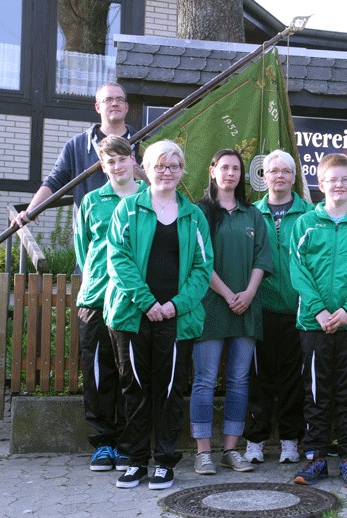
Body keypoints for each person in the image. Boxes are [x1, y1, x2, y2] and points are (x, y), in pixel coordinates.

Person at [105, 140, 212, 490]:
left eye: (174, 166)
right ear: (146, 170)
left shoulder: (193, 215)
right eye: (159, 166)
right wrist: (147, 303)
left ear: (182, 171)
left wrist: (175, 305)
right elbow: (117, 259)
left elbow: (203, 268)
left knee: (170, 391)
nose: (167, 172)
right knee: (135, 389)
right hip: (133, 316)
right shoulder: (128, 210)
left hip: (177, 319)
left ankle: (165, 462)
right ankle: (135, 461)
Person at [290, 153, 347, 489]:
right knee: (316, 393)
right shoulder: (305, 223)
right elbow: (298, 269)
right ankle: (315, 457)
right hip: (313, 324)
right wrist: (318, 309)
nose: (339, 185)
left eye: (345, 179)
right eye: (333, 179)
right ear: (321, 183)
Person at [190, 149, 273, 476]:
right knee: (205, 380)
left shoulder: (253, 214)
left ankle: (230, 450)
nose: (230, 173)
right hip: (210, 308)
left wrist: (249, 293)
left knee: (239, 381)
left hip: (245, 309)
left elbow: (262, 258)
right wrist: (226, 294)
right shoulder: (199, 212)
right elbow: (198, 260)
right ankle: (202, 452)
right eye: (224, 167)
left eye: (236, 168)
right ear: (212, 171)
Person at [75, 135, 145, 473]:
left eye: (122, 159)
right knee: (98, 373)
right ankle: (104, 443)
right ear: (103, 167)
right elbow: (83, 249)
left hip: (135, 302)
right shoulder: (92, 201)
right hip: (97, 300)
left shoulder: (149, 199)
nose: (117, 166)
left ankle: (130, 444)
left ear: (133, 160)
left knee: (132, 375)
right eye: (110, 161)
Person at [243, 150, 313, 464]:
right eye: (274, 171)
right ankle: (255, 440)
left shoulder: (309, 214)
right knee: (259, 378)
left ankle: (289, 440)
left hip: (298, 310)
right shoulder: (252, 214)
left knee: (293, 380)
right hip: (262, 308)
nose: (280, 176)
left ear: (294, 176)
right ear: (264, 176)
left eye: (286, 171)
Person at [15, 82, 141, 226]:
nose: (114, 103)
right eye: (108, 100)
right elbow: (55, 180)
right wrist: (31, 210)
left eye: (119, 99)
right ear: (97, 107)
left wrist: (138, 171)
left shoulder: (144, 144)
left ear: (126, 107)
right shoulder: (77, 145)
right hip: (89, 231)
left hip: (135, 230)